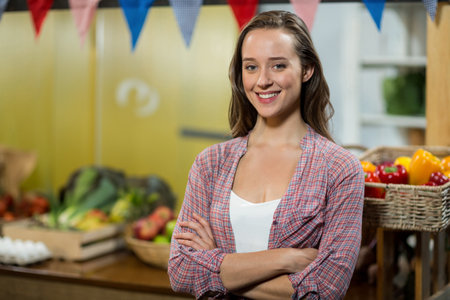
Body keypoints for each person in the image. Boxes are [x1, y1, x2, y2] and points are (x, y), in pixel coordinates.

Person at [168, 10, 364, 299]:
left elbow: (325, 289)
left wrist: (215, 262)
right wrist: (285, 259)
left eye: (278, 66)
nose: (262, 81)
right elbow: (181, 270)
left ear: (306, 70)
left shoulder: (339, 168)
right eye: (251, 67)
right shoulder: (210, 163)